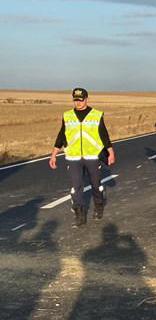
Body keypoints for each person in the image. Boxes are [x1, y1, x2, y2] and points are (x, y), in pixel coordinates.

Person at [49, 87, 115, 227]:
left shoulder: (96, 115)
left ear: (86, 99)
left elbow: (104, 135)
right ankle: (79, 213)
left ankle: (98, 205)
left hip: (92, 156)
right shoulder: (67, 116)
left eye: (80, 100)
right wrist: (53, 154)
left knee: (96, 185)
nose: (78, 103)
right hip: (73, 158)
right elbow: (61, 135)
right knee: (76, 187)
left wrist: (111, 152)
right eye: (75, 100)